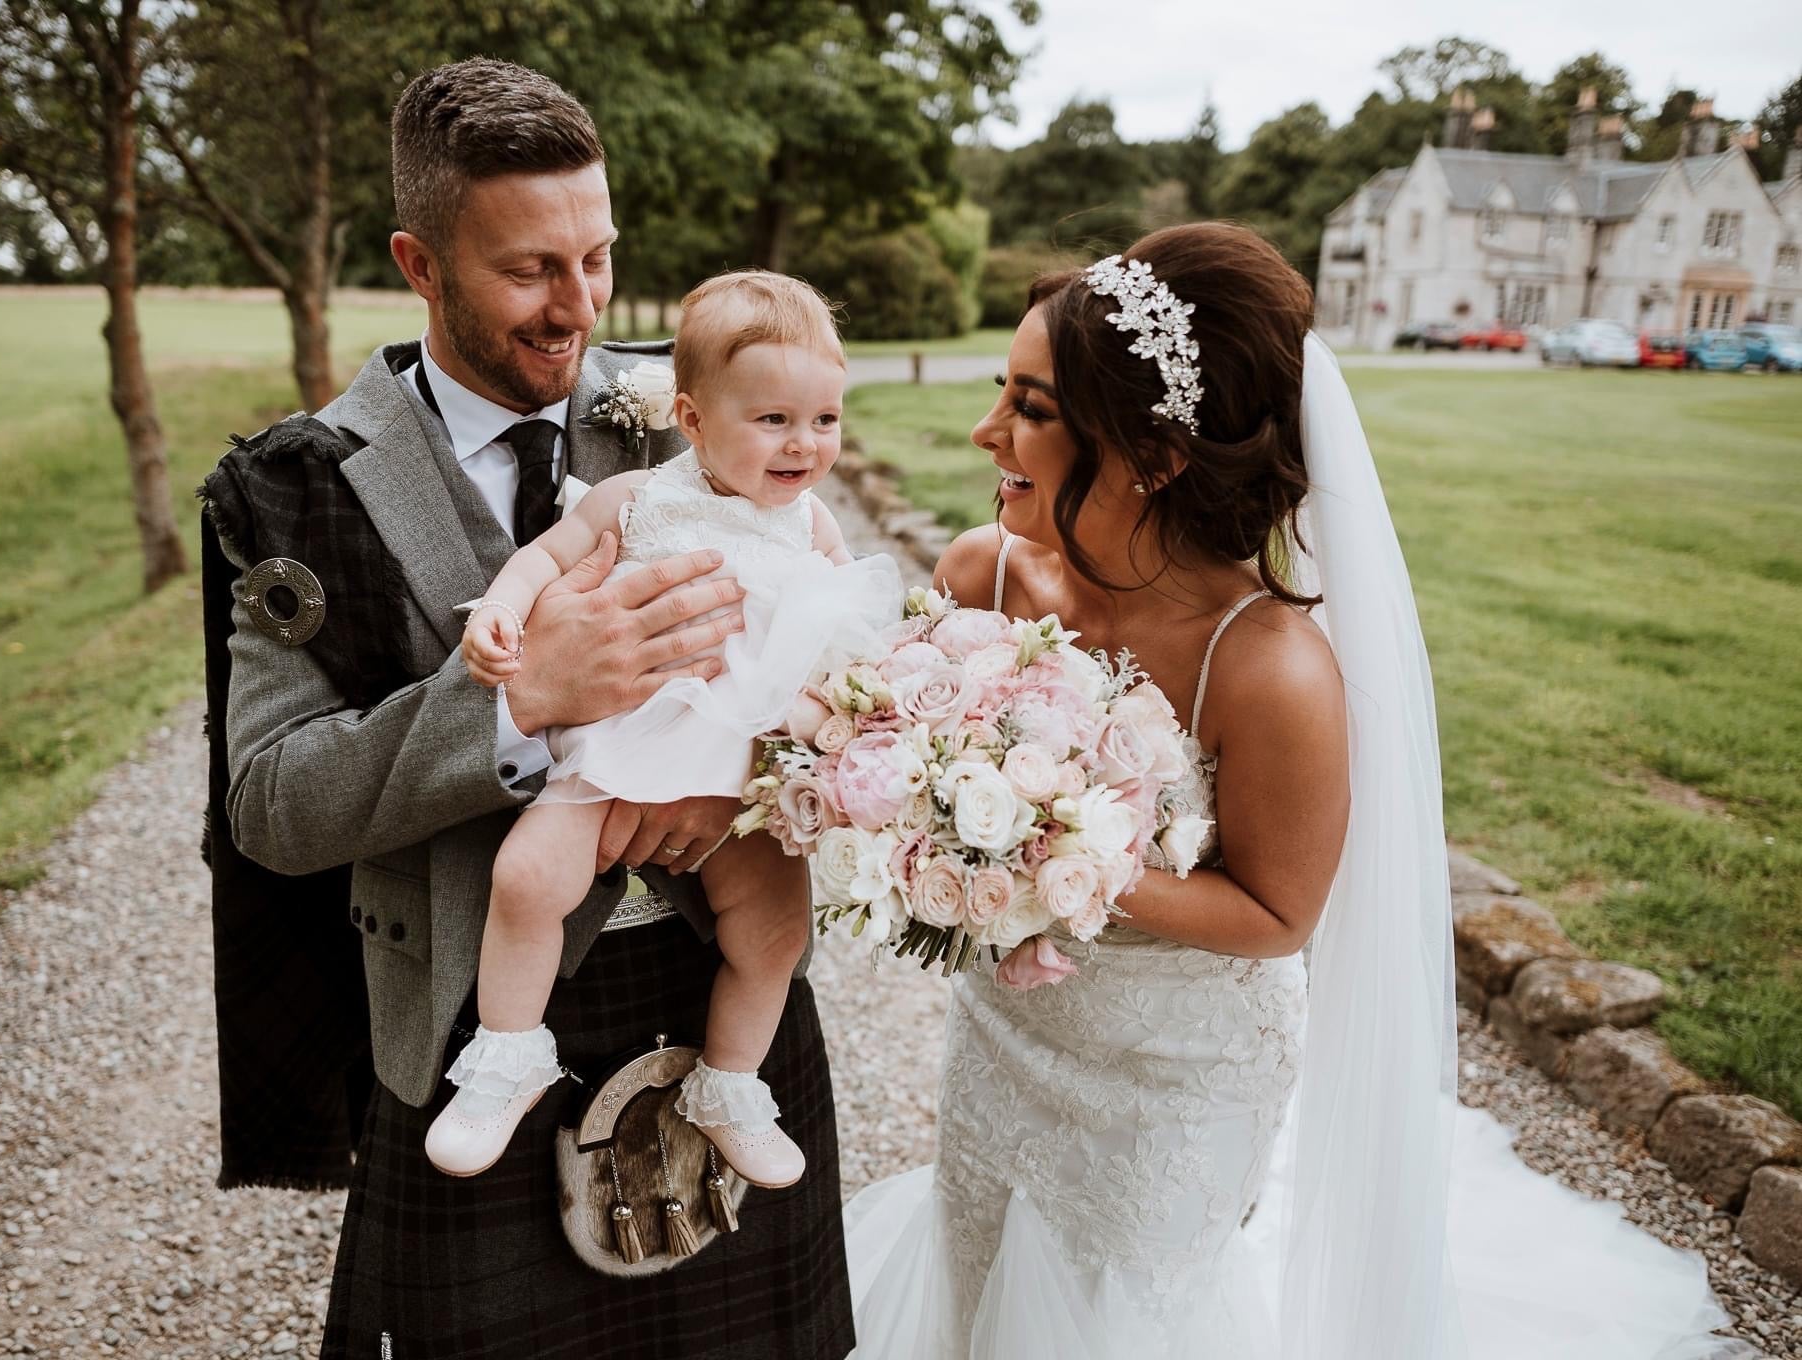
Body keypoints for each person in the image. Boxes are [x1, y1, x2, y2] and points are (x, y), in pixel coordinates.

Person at [841, 222, 1735, 1357]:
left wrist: (1047, 861)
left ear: (1156, 453)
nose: (987, 432)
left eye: (1033, 407)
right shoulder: (986, 574)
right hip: (1006, 1037)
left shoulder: (1267, 668)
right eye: (1000, 394)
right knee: (977, 1281)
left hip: (1174, 1074)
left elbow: (1276, 916)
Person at [201, 59, 855, 1359]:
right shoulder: (290, 489)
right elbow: (268, 803)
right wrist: (520, 706)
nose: (579, 308)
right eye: (529, 270)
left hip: (725, 1012)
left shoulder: (707, 405)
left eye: (597, 257)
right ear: (421, 261)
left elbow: (821, 645)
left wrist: (746, 771)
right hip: (472, 1027)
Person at [429, 270, 902, 1187]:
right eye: (773, 420)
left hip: (742, 768)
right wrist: (500, 611)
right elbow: (544, 558)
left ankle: (729, 1085)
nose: (804, 445)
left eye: (825, 420)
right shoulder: (636, 498)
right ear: (690, 418)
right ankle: (507, 1055)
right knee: (528, 878)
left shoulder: (812, 523)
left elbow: (857, 636)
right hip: (624, 742)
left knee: (774, 931)